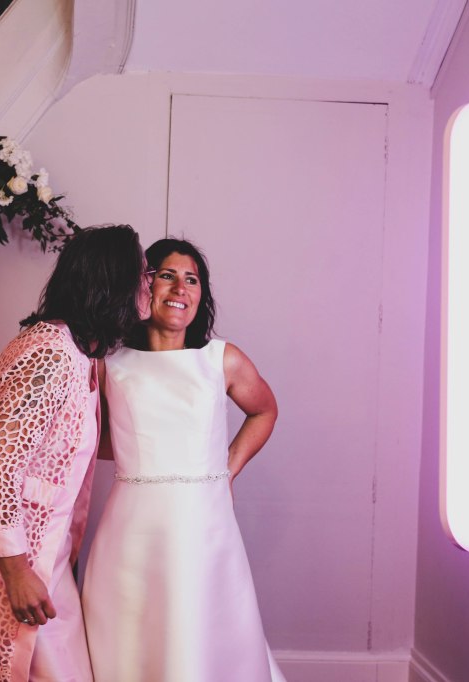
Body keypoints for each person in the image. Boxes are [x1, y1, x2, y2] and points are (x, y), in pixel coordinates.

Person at [0, 224, 152, 682]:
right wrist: (17, 572)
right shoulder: (49, 353)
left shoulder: (83, 357)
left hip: (49, 555)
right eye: (142, 273)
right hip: (14, 563)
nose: (149, 283)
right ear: (113, 281)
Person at [82, 237, 286, 682]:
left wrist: (225, 470)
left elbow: (265, 410)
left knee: (198, 635)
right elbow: (93, 440)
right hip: (131, 531)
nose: (180, 288)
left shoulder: (221, 359)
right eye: (167, 276)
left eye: (191, 280)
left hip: (203, 527)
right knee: (133, 643)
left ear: (201, 294)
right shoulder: (109, 363)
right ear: (143, 286)